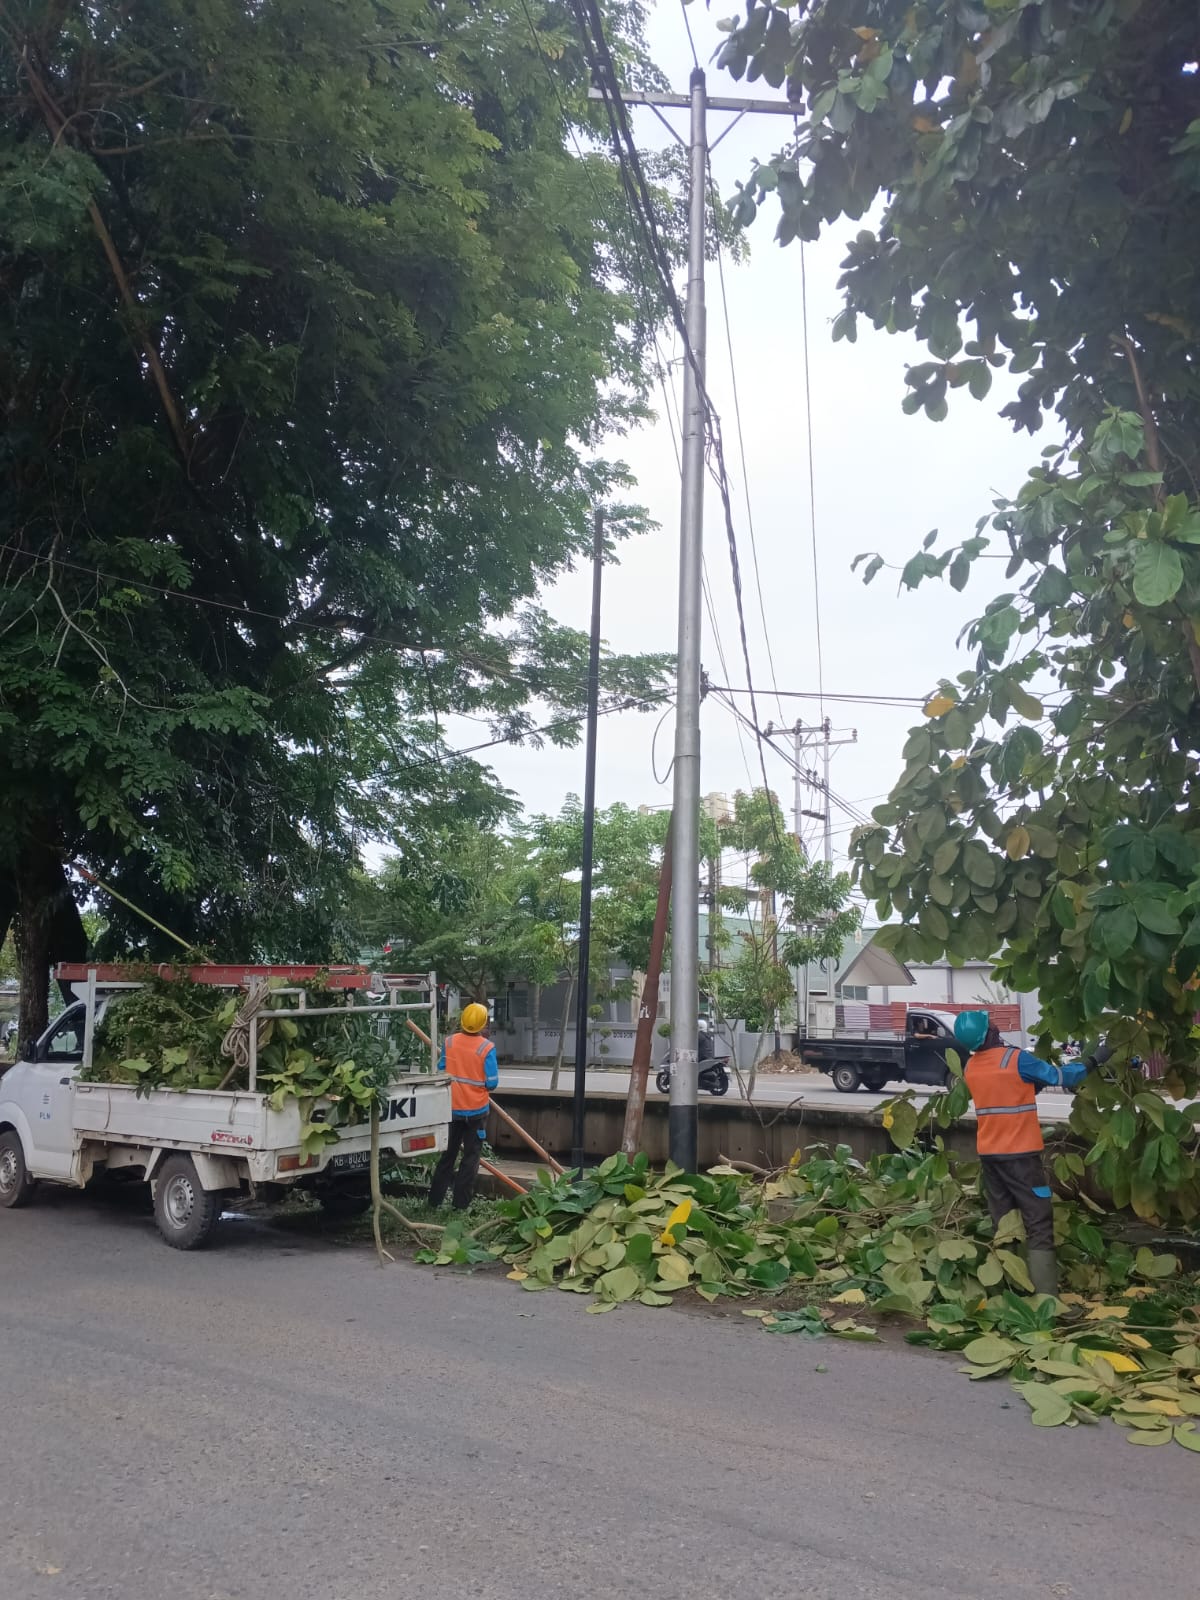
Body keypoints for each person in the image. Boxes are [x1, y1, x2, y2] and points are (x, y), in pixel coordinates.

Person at [953, 1010, 1099, 1297]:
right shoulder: (1016, 1059)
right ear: (990, 1031)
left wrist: (1032, 1085)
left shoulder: (971, 1067)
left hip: (991, 1157)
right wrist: (1095, 1060)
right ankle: (1046, 1301)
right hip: (1020, 1155)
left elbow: (1006, 1093)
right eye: (991, 1023)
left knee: (1003, 1223)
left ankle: (1006, 1295)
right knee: (1038, 1221)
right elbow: (1063, 1076)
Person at [429, 1002, 499, 1210]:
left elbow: (441, 1069)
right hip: (476, 1112)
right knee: (470, 1158)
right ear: (482, 1024)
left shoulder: (449, 1042)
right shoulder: (487, 1047)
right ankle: (460, 1204)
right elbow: (492, 1082)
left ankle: (434, 1201)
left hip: (451, 1109)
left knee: (447, 1155)